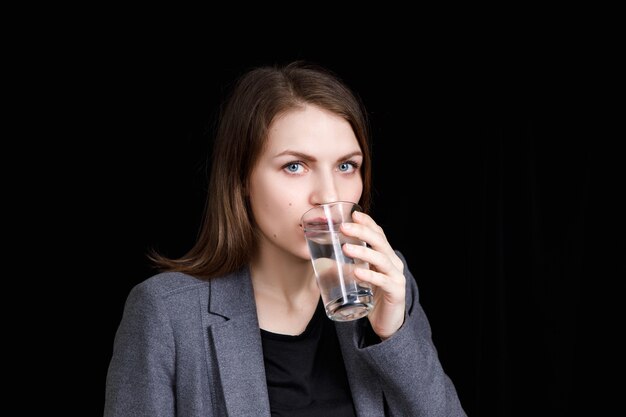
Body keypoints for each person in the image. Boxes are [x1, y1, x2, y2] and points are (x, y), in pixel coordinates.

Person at [104, 60, 467, 416]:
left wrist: (394, 336)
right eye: (295, 166)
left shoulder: (384, 282)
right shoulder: (167, 312)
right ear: (241, 179)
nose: (327, 195)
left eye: (346, 166)